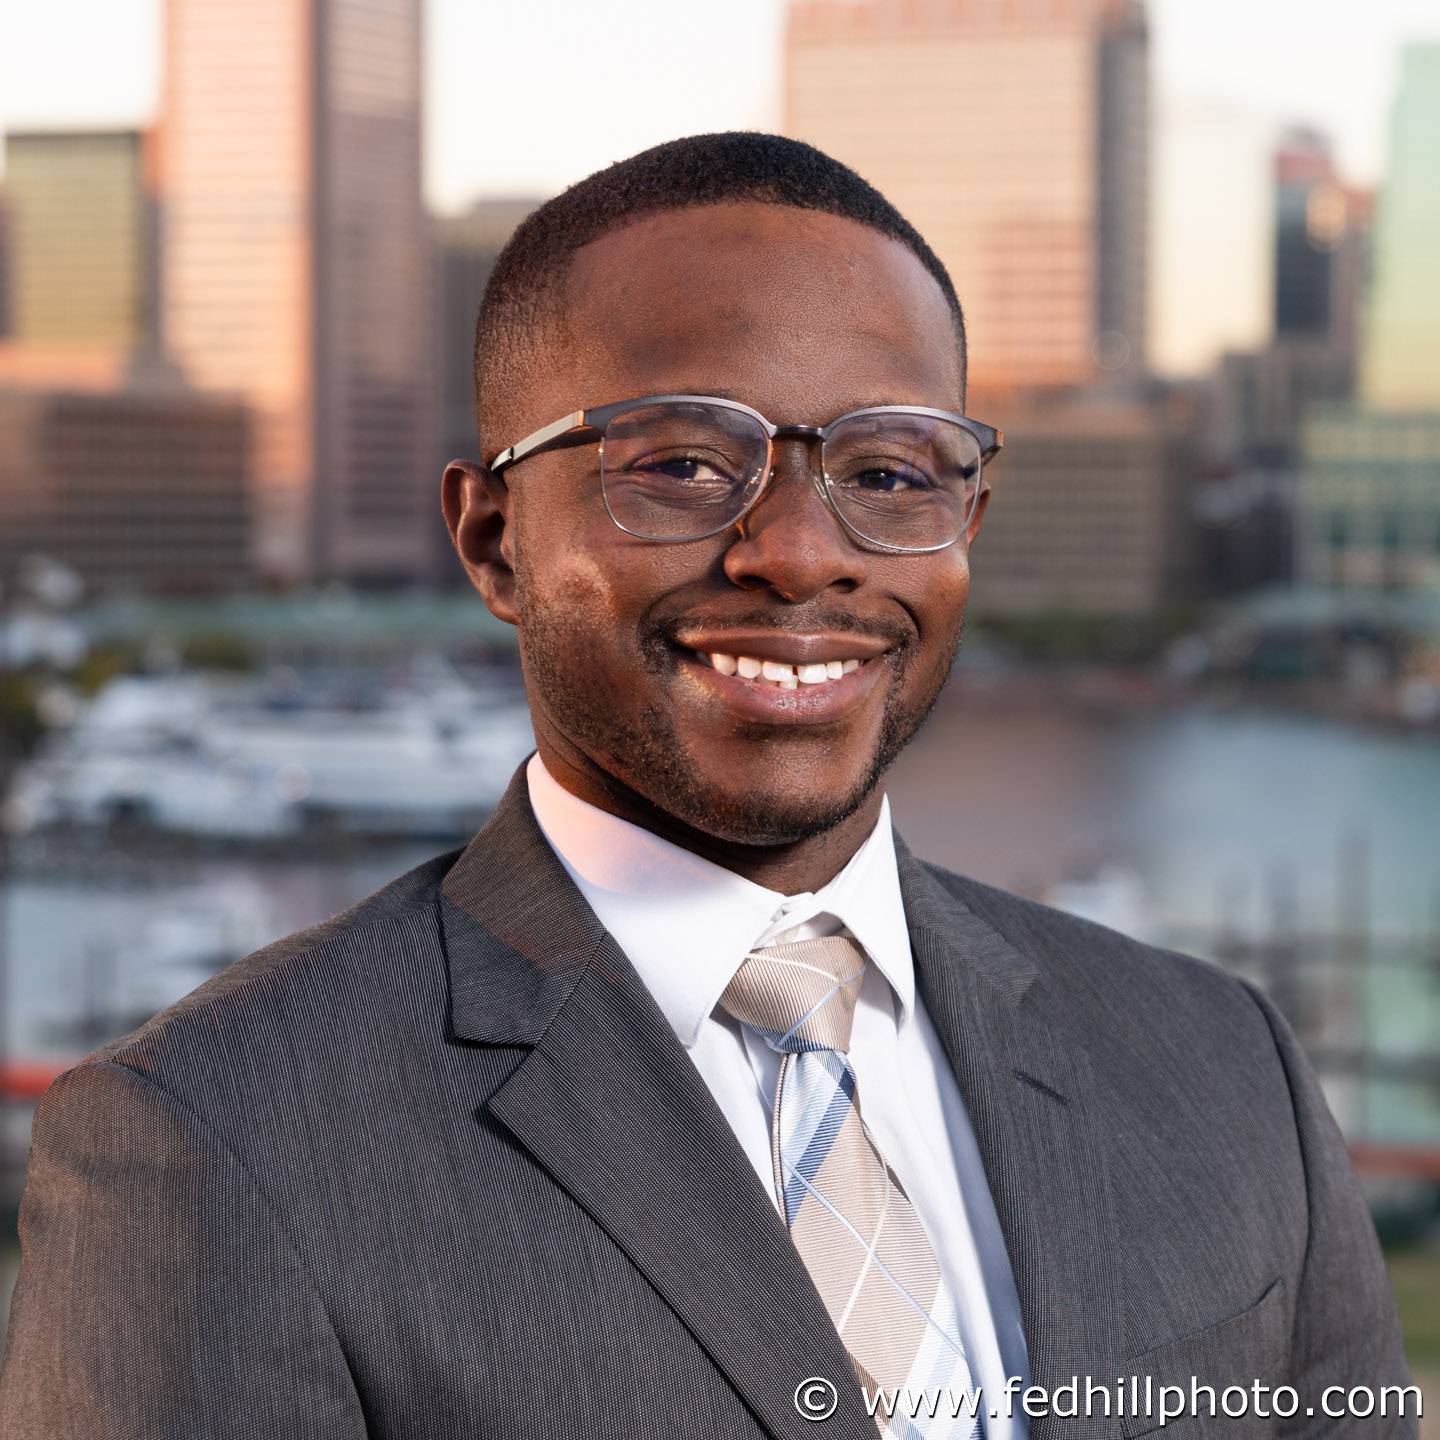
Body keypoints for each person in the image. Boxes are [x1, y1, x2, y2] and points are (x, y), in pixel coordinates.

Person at [0, 133, 1416, 1440]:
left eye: (894, 468)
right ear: (491, 538)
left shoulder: (1224, 1069)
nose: (801, 553)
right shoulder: (214, 1143)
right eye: (681, 462)